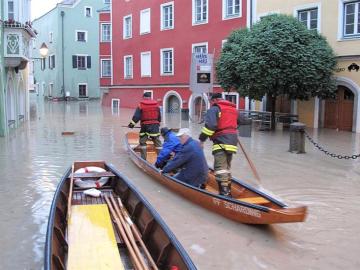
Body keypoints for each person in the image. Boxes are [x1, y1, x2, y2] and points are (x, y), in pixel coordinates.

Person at [198, 92, 240, 196]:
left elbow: (210, 127)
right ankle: (228, 191)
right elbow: (245, 121)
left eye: (211, 101)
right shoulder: (233, 109)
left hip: (221, 141)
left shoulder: (214, 109)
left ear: (214, 100)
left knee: (220, 168)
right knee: (226, 168)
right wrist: (232, 127)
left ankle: (224, 193)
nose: (211, 103)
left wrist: (201, 139)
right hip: (232, 141)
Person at [128, 92, 162, 160]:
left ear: (143, 97)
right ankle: (161, 158)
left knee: (143, 142)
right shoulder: (156, 105)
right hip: (155, 126)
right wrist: (158, 123)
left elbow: (136, 117)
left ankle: (143, 159)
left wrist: (131, 125)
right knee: (157, 143)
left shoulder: (140, 105)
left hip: (145, 126)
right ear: (150, 97)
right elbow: (159, 116)